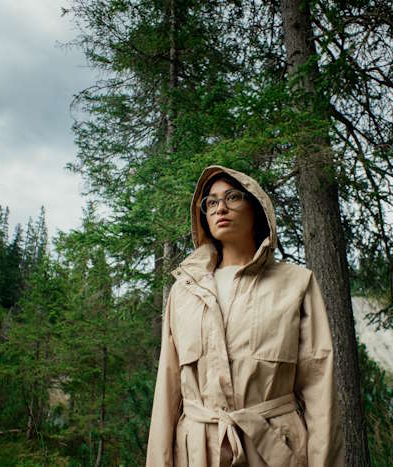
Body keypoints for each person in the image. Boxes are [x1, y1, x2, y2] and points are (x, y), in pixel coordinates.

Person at [146, 165, 344, 467]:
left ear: (257, 208)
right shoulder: (184, 291)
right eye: (210, 202)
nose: (220, 208)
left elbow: (319, 388)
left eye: (232, 197)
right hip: (199, 453)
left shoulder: (296, 284)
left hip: (274, 451)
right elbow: (167, 391)